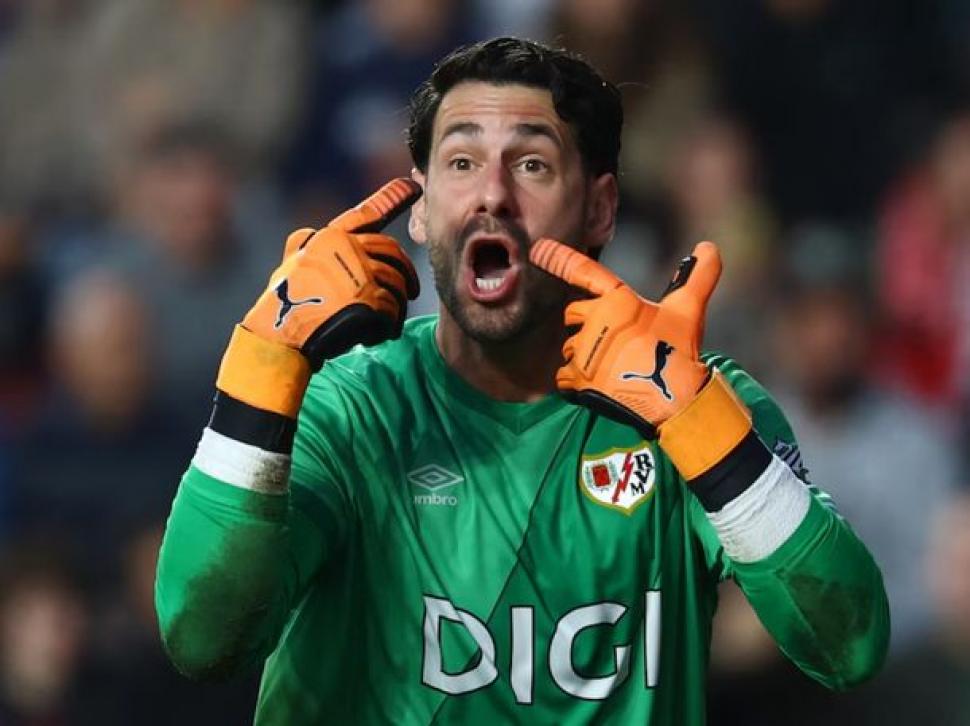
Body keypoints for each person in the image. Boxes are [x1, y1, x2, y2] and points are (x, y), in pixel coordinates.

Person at [155, 37, 889, 723]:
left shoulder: (697, 408)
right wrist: (262, 364)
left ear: (600, 208)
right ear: (421, 208)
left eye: (532, 165)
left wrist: (698, 424)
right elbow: (201, 638)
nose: (492, 195)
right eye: (461, 162)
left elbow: (849, 647)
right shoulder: (346, 407)